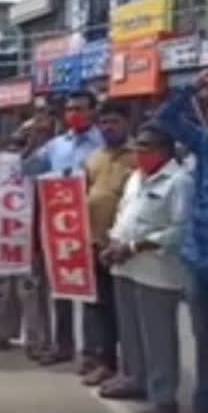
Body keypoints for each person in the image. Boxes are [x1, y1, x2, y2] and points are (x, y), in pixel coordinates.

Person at [153, 67, 208, 413]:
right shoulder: (204, 143)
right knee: (204, 344)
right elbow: (165, 116)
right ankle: (204, 407)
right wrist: (192, 86)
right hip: (199, 260)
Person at [98, 124, 192, 413]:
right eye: (137, 146)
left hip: (157, 270)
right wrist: (113, 243)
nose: (139, 152)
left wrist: (136, 246)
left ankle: (163, 397)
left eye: (146, 147)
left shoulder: (180, 181)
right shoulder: (136, 177)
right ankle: (135, 378)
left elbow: (181, 229)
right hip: (124, 265)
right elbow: (125, 213)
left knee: (158, 336)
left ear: (165, 150)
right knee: (130, 331)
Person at [24, 90, 104, 367]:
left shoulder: (103, 142)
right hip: (61, 227)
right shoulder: (57, 145)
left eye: (81, 108)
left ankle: (94, 353)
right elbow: (28, 169)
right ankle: (63, 346)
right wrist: (34, 138)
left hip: (93, 225)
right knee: (62, 290)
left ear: (94, 111)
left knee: (93, 295)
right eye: (70, 109)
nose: (75, 114)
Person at [0, 131, 50, 360]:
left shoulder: (35, 186)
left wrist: (38, 249)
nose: (13, 154)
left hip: (26, 251)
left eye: (18, 147)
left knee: (30, 298)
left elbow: (41, 218)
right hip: (1, 250)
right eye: (10, 147)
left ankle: (35, 342)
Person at [79, 100, 135, 387]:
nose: (108, 127)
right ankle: (105, 362)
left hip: (125, 249)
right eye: (104, 123)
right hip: (94, 244)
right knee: (100, 308)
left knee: (126, 312)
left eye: (114, 122)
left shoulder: (140, 156)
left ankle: (131, 370)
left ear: (127, 123)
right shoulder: (93, 157)